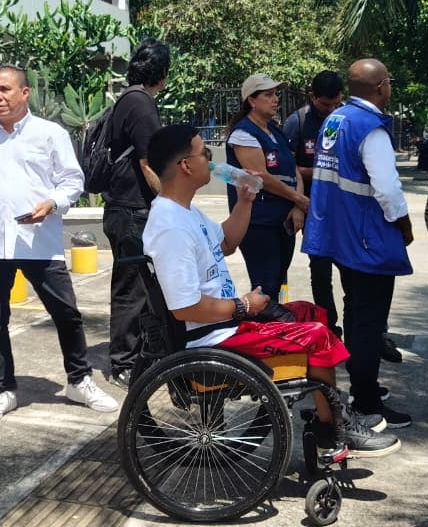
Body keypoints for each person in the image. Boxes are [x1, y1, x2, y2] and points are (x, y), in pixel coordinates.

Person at [142, 124, 399, 456]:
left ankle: (331, 412)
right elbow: (185, 308)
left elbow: (227, 242)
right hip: (212, 338)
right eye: (204, 153)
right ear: (186, 166)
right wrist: (244, 306)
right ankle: (334, 428)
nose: (211, 158)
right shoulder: (170, 226)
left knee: (310, 313)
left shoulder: (187, 212)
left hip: (225, 324)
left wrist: (245, 202)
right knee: (317, 336)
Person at [0, 64, 118, 424]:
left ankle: (79, 381)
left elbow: (72, 180)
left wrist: (53, 203)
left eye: (5, 89)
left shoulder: (50, 134)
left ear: (25, 93)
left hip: (39, 242)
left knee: (67, 314)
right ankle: (2, 390)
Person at [303, 58, 414, 428]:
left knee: (355, 312)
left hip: (342, 235)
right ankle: (365, 401)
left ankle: (361, 386)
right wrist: (404, 224)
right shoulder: (371, 129)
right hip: (368, 238)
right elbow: (387, 189)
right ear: (381, 86)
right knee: (368, 321)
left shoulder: (336, 120)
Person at [102, 38, 171, 390]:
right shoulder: (141, 104)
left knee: (141, 287)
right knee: (132, 289)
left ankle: (139, 356)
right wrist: (173, 200)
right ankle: (125, 364)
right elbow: (149, 164)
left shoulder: (128, 99)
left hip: (124, 208)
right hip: (131, 210)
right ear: (162, 73)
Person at [225, 73, 309, 301]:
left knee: (279, 282)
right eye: (268, 95)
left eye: (276, 94)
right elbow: (261, 177)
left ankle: (275, 321)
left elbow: (293, 170)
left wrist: (297, 206)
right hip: (259, 222)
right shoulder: (243, 133)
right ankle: (260, 322)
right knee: (265, 285)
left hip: (283, 220)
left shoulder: (274, 130)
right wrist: (300, 199)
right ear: (251, 100)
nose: (275, 99)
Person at [283, 70, 345, 336]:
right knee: (320, 268)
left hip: (343, 207)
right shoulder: (297, 122)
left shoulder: (345, 119)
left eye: (335, 104)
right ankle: (329, 325)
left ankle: (359, 327)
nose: (330, 110)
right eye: (325, 104)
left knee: (351, 268)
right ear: (312, 97)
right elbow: (288, 167)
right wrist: (299, 203)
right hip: (310, 206)